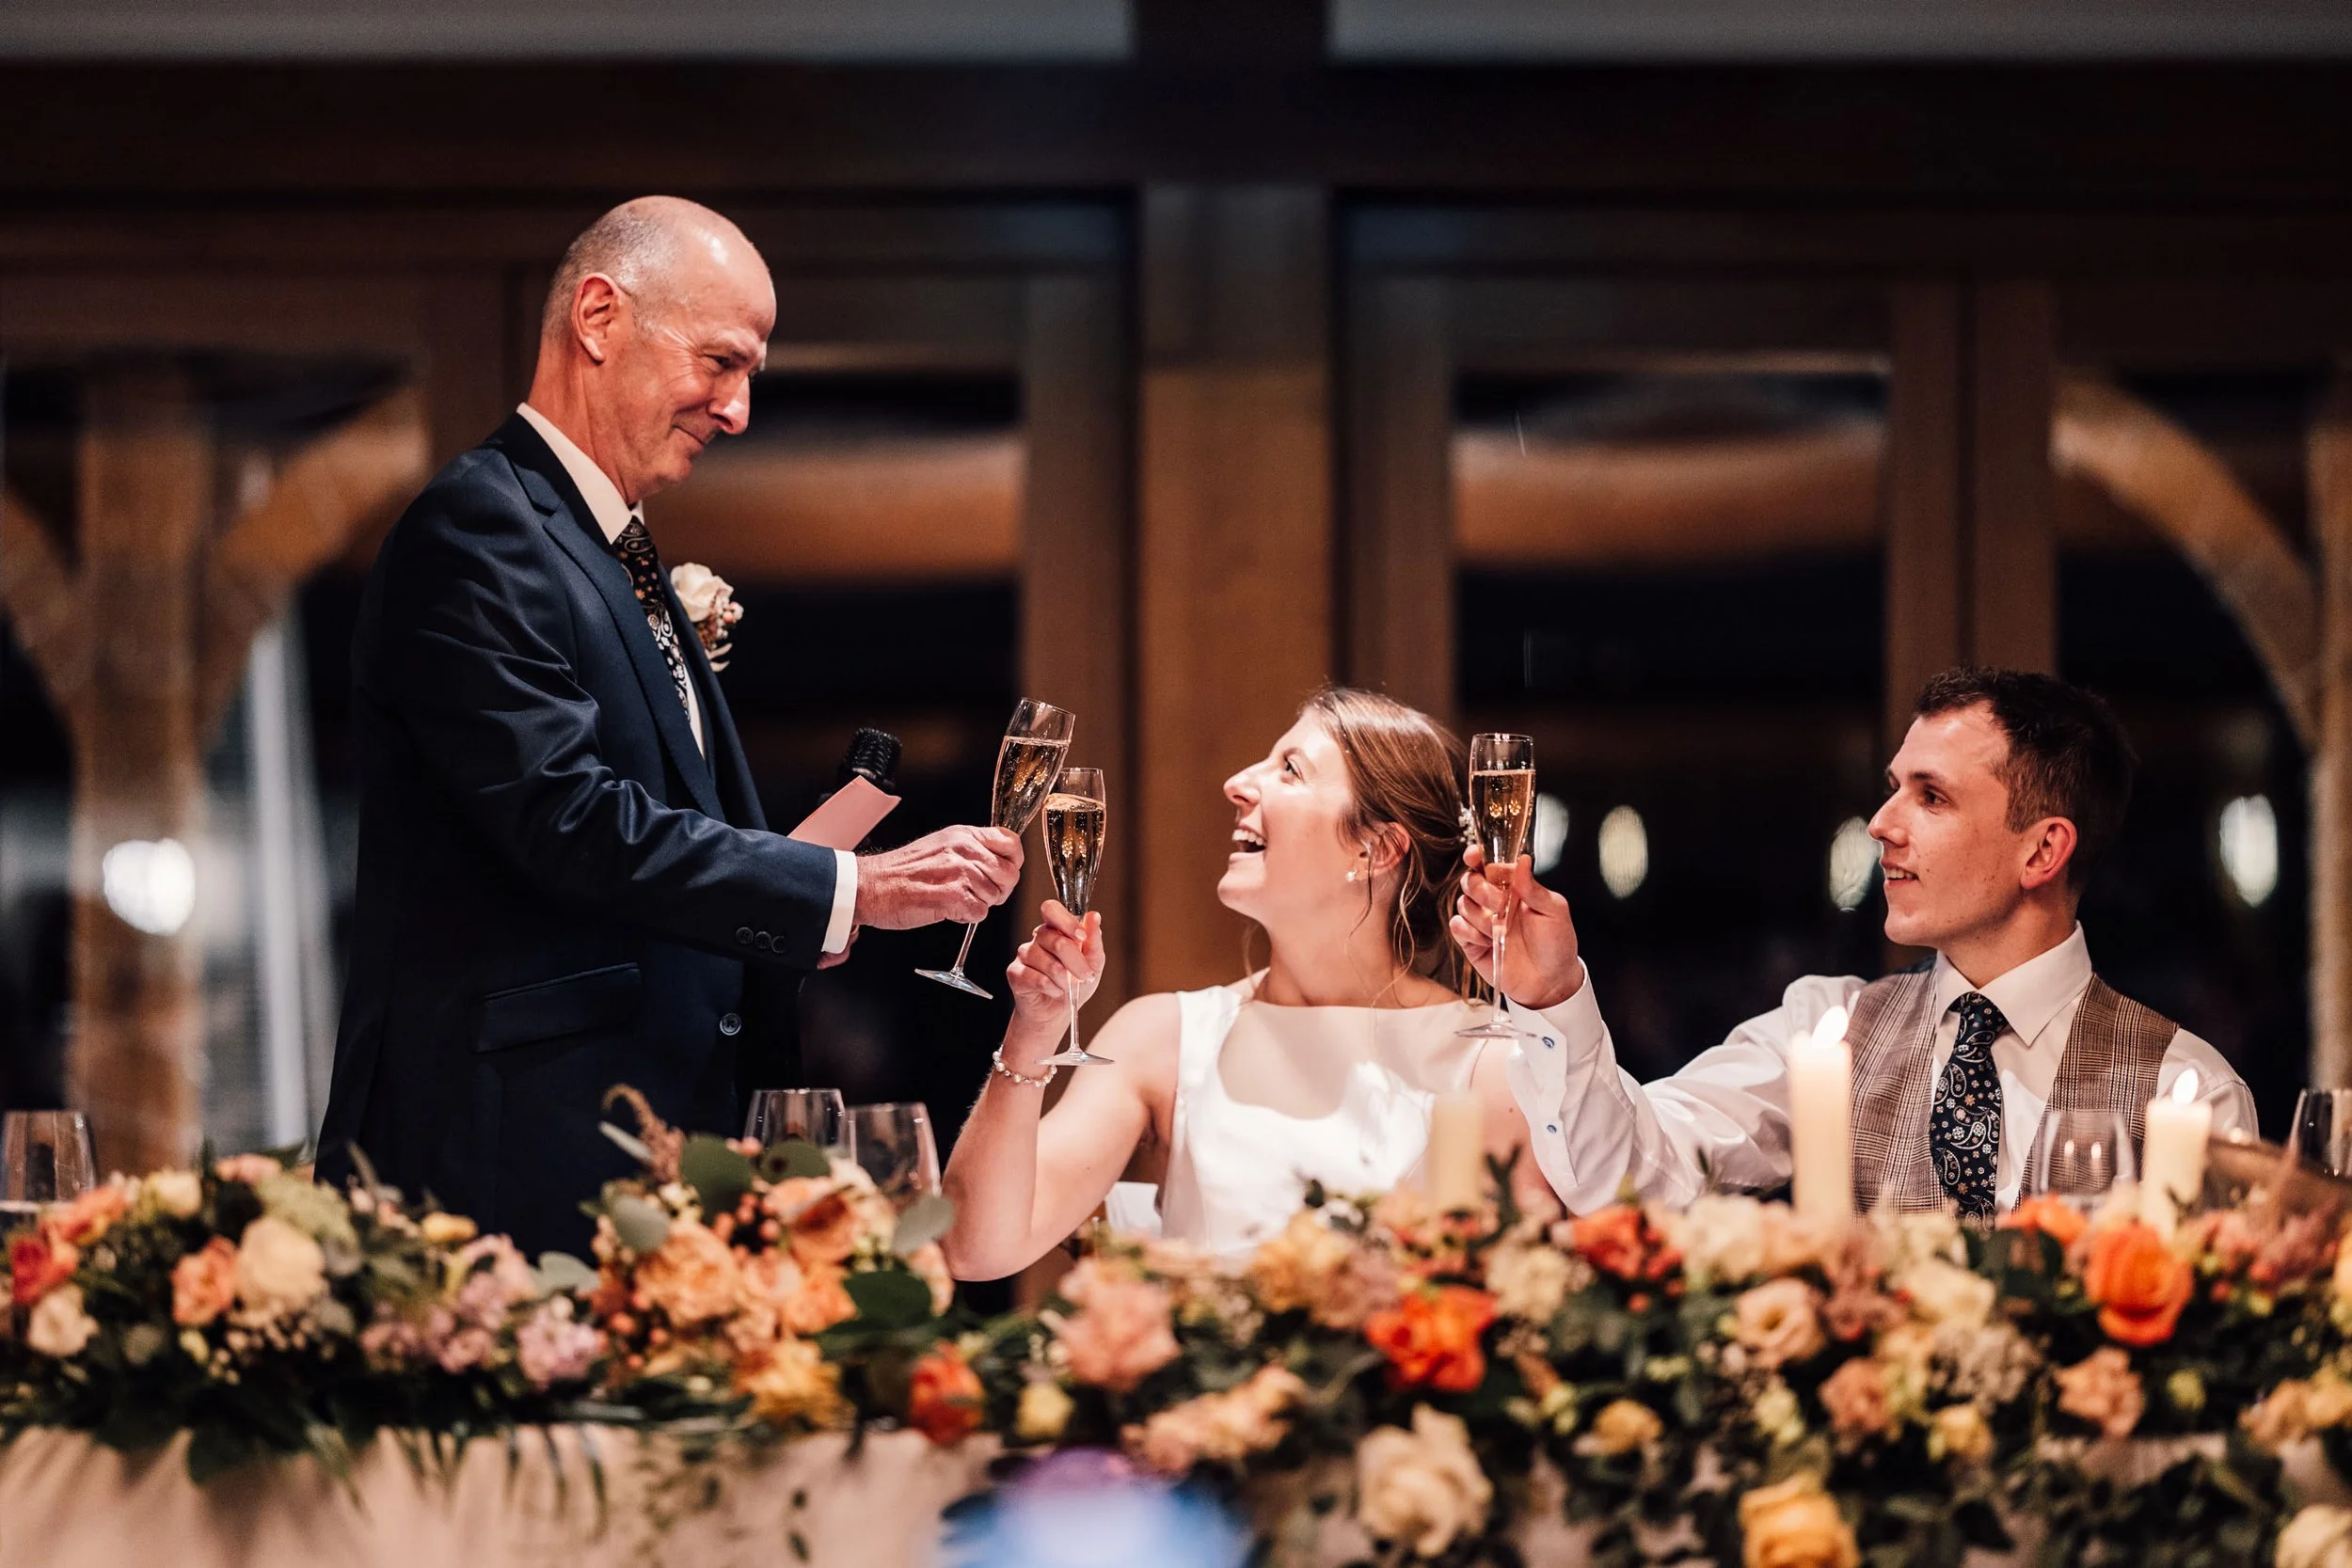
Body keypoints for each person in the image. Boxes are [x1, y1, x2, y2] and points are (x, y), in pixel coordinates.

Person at [316, 198, 1024, 1256]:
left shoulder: (616, 551)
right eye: (720, 362)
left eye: (751, 377)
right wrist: (846, 891)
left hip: (645, 1149)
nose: (737, 410)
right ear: (599, 317)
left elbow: (639, 837)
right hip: (519, 1155)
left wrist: (790, 901)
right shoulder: (481, 528)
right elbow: (568, 815)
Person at [1454, 667, 2255, 1218]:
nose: (1882, 823)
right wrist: (1553, 998)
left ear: (2042, 852)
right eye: (1893, 789)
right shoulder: (1829, 1031)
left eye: (1930, 797)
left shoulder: (2190, 1092)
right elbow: (1627, 1173)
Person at [940, 688, 1554, 1277]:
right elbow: (976, 1247)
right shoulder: (1163, 1038)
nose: (1236, 783)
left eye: (1289, 769)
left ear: (1376, 848)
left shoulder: (1488, 1064)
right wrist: (1034, 1030)